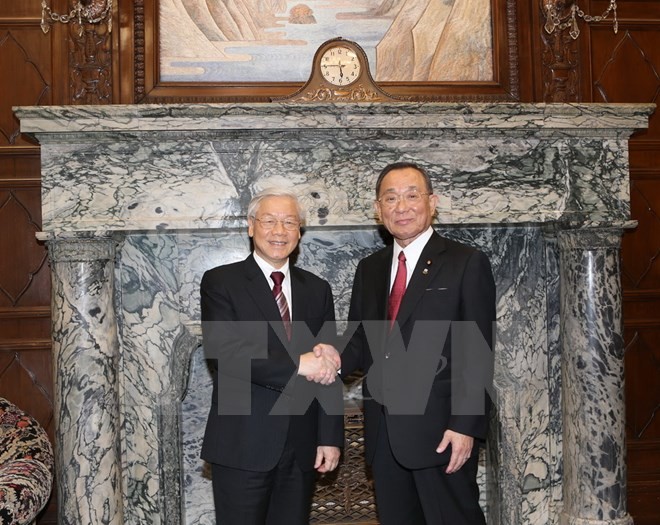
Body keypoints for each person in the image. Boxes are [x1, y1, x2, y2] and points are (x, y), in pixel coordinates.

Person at [321, 162, 496, 524]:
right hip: (384, 436)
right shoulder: (369, 269)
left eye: (412, 196)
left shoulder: (466, 263)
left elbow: (477, 352)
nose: (401, 207)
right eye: (391, 198)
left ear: (433, 202)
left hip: (442, 434)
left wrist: (465, 426)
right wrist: (332, 357)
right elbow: (360, 339)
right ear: (378, 209)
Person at [200, 188, 343, 525]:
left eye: (289, 222)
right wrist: (299, 364)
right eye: (269, 221)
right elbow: (225, 351)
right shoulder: (222, 282)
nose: (279, 231)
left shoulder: (316, 289)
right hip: (242, 445)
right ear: (251, 226)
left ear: (299, 231)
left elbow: (328, 364)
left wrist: (329, 436)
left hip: (301, 446)